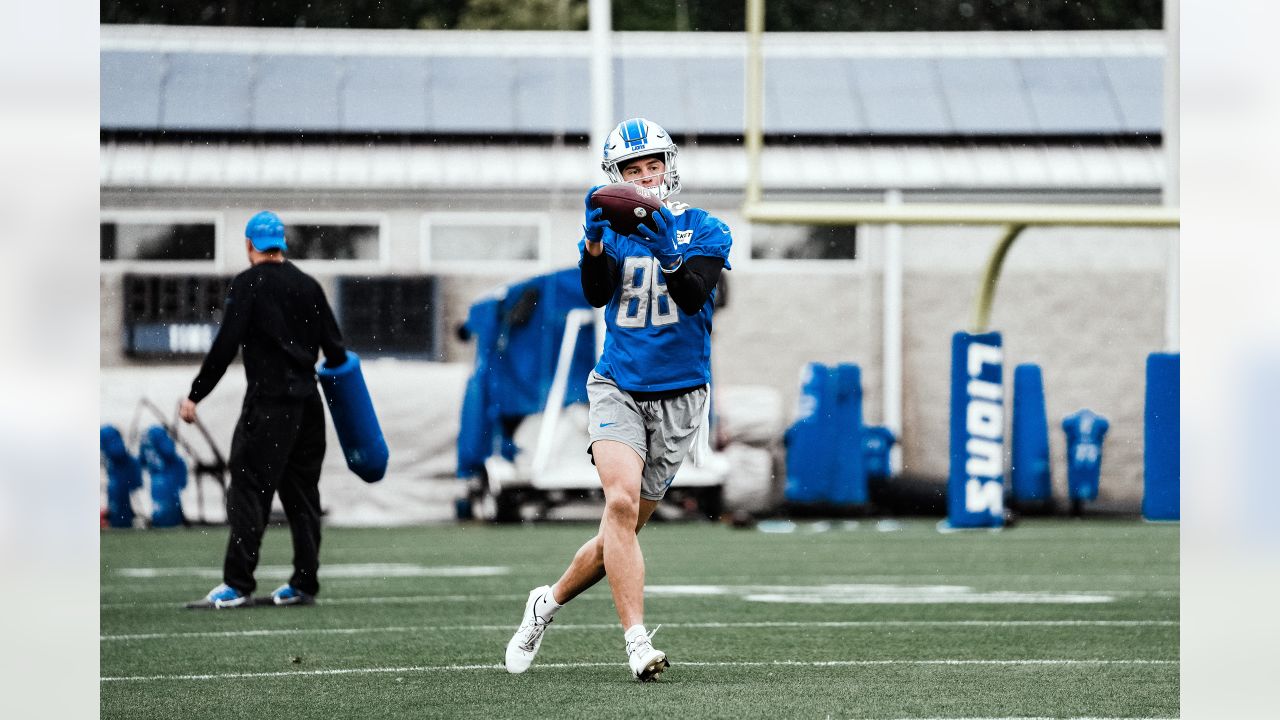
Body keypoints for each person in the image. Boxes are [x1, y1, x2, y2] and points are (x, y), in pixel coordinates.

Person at [504, 118, 732, 680]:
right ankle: (637, 643)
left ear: (670, 166)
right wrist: (594, 243)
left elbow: (695, 294)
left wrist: (670, 256)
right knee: (621, 504)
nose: (647, 176)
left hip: (681, 397)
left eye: (654, 164)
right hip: (619, 387)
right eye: (634, 169)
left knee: (619, 533)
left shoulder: (704, 228)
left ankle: (546, 603)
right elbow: (598, 292)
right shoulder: (614, 231)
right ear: (617, 178)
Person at [180, 210, 348, 609]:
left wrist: (195, 394)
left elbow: (225, 346)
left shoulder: (248, 284)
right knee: (303, 496)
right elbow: (337, 352)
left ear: (249, 245)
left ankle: (237, 584)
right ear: (282, 244)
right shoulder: (309, 286)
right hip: (309, 406)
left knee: (248, 491)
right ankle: (304, 584)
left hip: (270, 405)